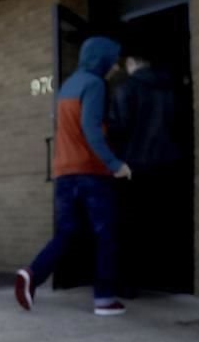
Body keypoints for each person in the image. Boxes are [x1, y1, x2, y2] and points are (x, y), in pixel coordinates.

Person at [15, 37, 131, 316]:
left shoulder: (67, 86)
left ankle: (32, 274)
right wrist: (115, 164)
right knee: (106, 234)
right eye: (112, 61)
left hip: (64, 173)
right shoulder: (94, 84)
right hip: (90, 172)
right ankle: (104, 299)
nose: (115, 67)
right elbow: (91, 130)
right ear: (101, 59)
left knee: (67, 232)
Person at [108, 51, 188, 295]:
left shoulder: (126, 88)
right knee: (162, 223)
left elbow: (117, 128)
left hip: (134, 165)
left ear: (131, 62)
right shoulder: (171, 87)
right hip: (168, 163)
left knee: (129, 226)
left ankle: (129, 284)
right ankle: (166, 278)